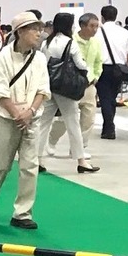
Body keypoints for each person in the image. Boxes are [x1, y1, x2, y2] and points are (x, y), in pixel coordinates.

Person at [0, 10, 51, 231]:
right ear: (20, 31)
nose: (39, 33)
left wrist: (31, 111)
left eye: (40, 29)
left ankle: (23, 213)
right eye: (34, 29)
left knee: (30, 167)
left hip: (32, 118)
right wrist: (17, 113)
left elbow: (43, 89)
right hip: (6, 118)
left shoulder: (40, 58)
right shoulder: (1, 56)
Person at [39, 11, 99, 174]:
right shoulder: (70, 43)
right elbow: (80, 65)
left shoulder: (46, 43)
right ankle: (81, 161)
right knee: (73, 123)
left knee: (43, 123)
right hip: (66, 88)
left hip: (49, 86)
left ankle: (37, 159)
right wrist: (87, 71)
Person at [50, 12, 104, 162]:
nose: (95, 29)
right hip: (70, 85)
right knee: (63, 119)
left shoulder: (96, 43)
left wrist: (96, 77)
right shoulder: (70, 41)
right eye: (92, 26)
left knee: (88, 118)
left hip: (89, 85)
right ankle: (51, 141)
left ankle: (80, 149)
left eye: (97, 26)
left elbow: (99, 62)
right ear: (82, 26)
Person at [93, 5, 128, 140]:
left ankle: (109, 127)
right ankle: (108, 126)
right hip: (119, 69)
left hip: (102, 68)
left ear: (102, 17)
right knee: (111, 98)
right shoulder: (124, 32)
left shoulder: (97, 32)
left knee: (105, 98)